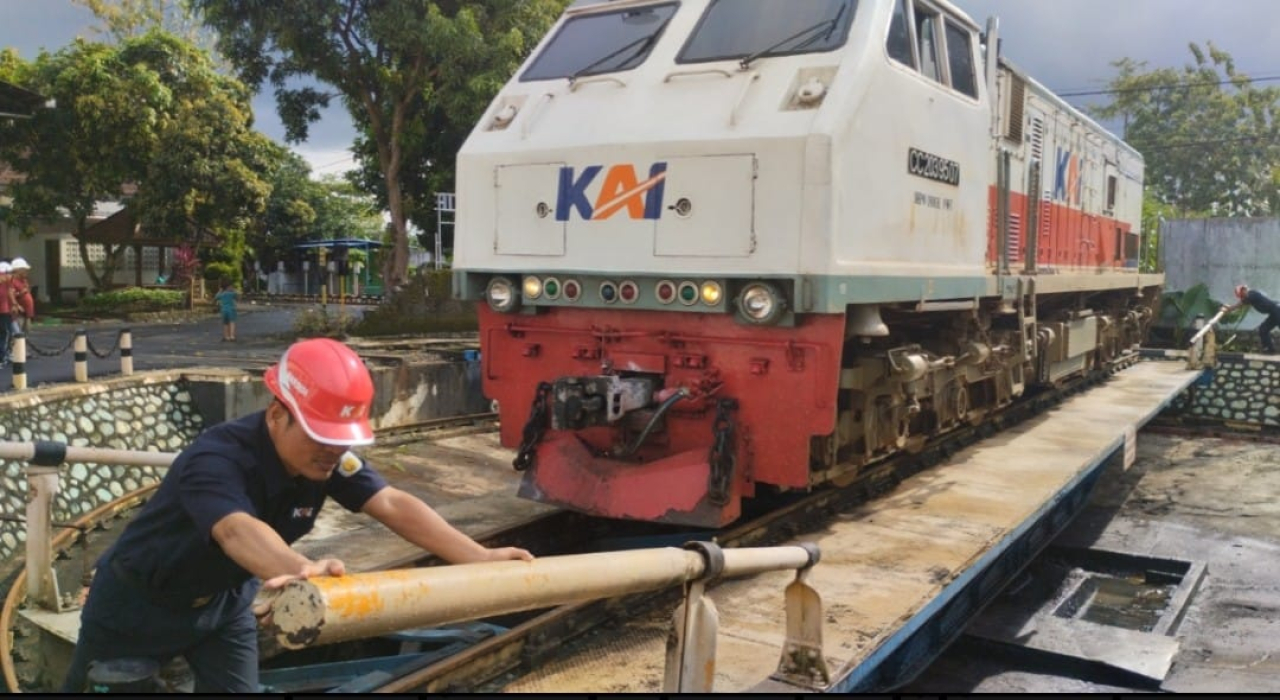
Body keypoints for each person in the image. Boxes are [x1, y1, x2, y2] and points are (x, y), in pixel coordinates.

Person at [60, 338, 534, 692]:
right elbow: (234, 528)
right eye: (319, 434)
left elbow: (390, 503)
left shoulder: (328, 458)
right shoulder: (216, 458)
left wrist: (477, 556)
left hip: (224, 608)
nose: (333, 450)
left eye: (341, 436)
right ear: (276, 414)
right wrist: (301, 571)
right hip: (137, 606)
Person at [1222, 284, 1280, 353]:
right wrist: (1229, 308)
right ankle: (1269, 350)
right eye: (1241, 295)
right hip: (1274, 312)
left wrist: (1229, 309)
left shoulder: (1252, 294)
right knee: (1263, 329)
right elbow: (1239, 307)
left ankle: (1269, 349)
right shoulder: (1249, 299)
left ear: (1245, 289)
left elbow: (1238, 305)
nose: (1242, 296)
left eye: (1242, 292)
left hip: (1278, 310)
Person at [10, 257, 35, 335]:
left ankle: (22, 347)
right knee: (18, 334)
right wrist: (21, 293)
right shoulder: (12, 281)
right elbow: (11, 295)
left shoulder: (24, 280)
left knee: (26, 332)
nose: (26, 272)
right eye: (24, 270)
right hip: (19, 313)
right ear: (18, 270)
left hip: (27, 313)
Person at [0, 262, 12, 366]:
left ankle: (3, 355)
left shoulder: (6, 284)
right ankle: (3, 356)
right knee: (3, 334)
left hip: (5, 311)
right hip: (3, 312)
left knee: (4, 333)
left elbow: (9, 294)